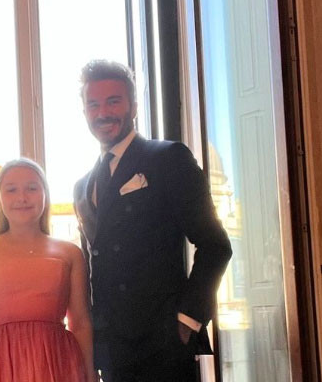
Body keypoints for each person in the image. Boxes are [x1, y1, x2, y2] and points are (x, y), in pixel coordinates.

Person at [73, 59, 233, 381]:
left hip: (165, 346)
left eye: (113, 101)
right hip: (112, 352)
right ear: (85, 112)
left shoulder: (168, 158)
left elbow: (216, 245)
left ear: (133, 106)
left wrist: (187, 321)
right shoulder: (82, 186)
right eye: (94, 104)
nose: (103, 113)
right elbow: (92, 267)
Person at [0, 158, 96, 382]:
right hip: (1, 368)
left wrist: (90, 375)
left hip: (60, 364)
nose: (22, 198)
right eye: (11, 190)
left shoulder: (70, 253)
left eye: (32, 188)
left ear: (45, 195)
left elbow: (80, 323)